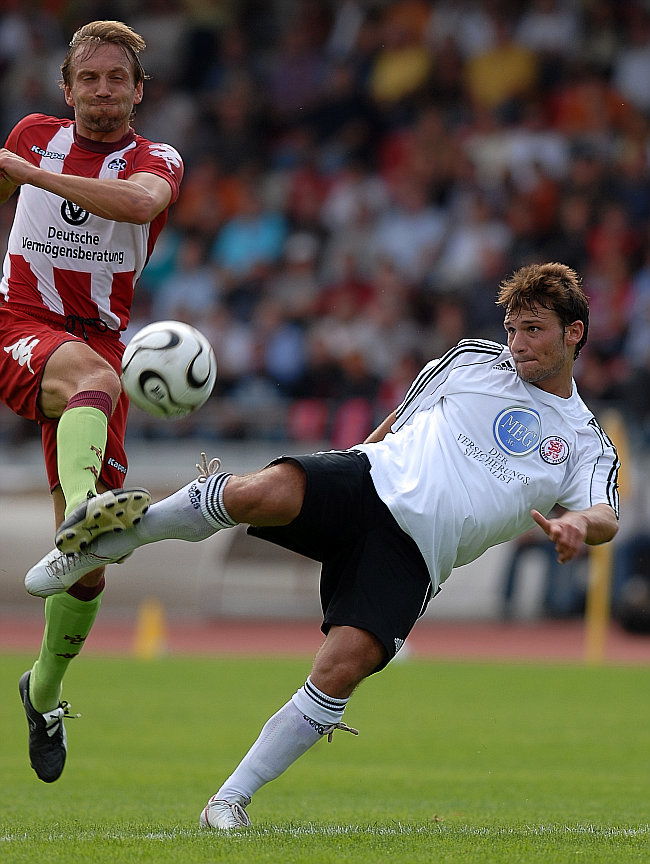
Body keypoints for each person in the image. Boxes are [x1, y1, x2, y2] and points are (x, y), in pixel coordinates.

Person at [25, 262, 619, 826]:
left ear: (574, 333)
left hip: (416, 555)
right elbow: (398, 420)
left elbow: (605, 514)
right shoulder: (471, 360)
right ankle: (108, 541)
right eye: (512, 329)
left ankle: (228, 802)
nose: (517, 343)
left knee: (341, 669)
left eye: (533, 330)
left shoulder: (585, 440)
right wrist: (346, 462)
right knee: (262, 491)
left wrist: (577, 526)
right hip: (371, 479)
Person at [0, 21, 184, 783]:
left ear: (139, 91)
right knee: (96, 382)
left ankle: (42, 692)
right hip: (20, 322)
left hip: (101, 343)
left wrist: (32, 178)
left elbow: (139, 206)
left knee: (90, 573)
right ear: (66, 88)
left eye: (117, 80)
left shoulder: (157, 159)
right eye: (89, 79)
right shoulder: (31, 136)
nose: (102, 92)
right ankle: (84, 512)